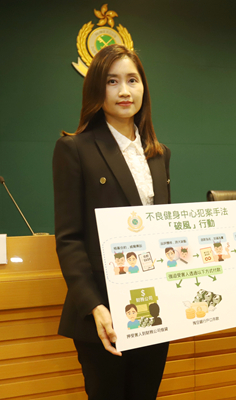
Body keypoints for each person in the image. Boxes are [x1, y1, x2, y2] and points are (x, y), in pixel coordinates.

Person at [53, 44, 171, 400]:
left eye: (132, 80)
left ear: (143, 87)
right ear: (96, 89)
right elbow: (69, 239)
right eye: (112, 81)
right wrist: (94, 305)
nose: (124, 91)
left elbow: (162, 229)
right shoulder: (74, 149)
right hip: (102, 314)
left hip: (153, 309)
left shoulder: (159, 154)